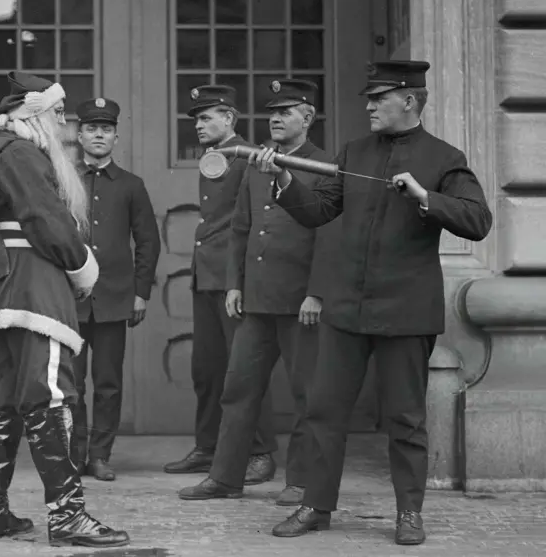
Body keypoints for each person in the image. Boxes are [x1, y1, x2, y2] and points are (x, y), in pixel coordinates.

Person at [255, 61, 492, 546]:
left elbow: (478, 220)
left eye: (377, 98)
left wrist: (426, 196)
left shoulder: (445, 158)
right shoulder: (354, 152)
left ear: (409, 100)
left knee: (405, 418)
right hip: (347, 310)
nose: (367, 105)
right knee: (324, 411)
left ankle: (409, 513)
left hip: (405, 313)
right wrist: (281, 180)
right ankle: (316, 505)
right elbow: (318, 211)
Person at [0, 71, 129, 548]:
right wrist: (83, 267)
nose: (66, 120)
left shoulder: (3, 150)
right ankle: (68, 517)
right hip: (35, 289)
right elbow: (47, 221)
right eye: (58, 112)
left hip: (7, 291)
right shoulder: (22, 152)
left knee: (0, 401)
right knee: (52, 397)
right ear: (33, 115)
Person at [178, 79, 333, 504]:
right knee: (238, 389)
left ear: (308, 117)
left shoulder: (324, 164)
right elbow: (242, 229)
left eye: (287, 111)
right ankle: (225, 477)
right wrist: (234, 284)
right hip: (257, 299)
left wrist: (316, 293)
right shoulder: (256, 163)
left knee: (307, 395)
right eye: (272, 112)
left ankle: (301, 481)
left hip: (300, 301)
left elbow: (329, 237)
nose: (277, 118)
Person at [163, 85, 277, 485]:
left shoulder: (249, 158)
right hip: (207, 275)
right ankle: (209, 446)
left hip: (234, 280)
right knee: (207, 368)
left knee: (243, 369)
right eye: (196, 119)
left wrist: (240, 281)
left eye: (207, 117)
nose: (198, 125)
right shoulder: (217, 157)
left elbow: (252, 224)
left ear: (229, 118)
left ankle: (260, 451)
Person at [72, 97, 161, 481]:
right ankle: (73, 456)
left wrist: (140, 292)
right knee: (70, 383)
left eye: (105, 129)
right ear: (79, 134)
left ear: (115, 137)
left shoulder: (131, 185)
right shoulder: (63, 181)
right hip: (70, 299)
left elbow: (148, 242)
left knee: (108, 383)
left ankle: (99, 455)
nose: (98, 135)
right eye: (91, 128)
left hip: (113, 299)